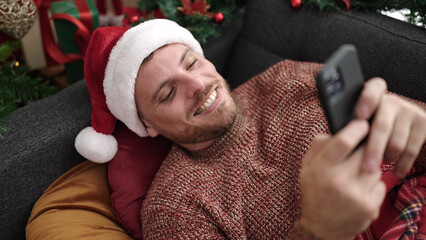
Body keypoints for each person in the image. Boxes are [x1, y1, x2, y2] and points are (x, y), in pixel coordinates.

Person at [75, 19, 426, 239]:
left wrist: (413, 125)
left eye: (192, 63)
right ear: (148, 126)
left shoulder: (284, 77)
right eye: (168, 93)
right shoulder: (175, 209)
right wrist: (318, 232)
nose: (197, 84)